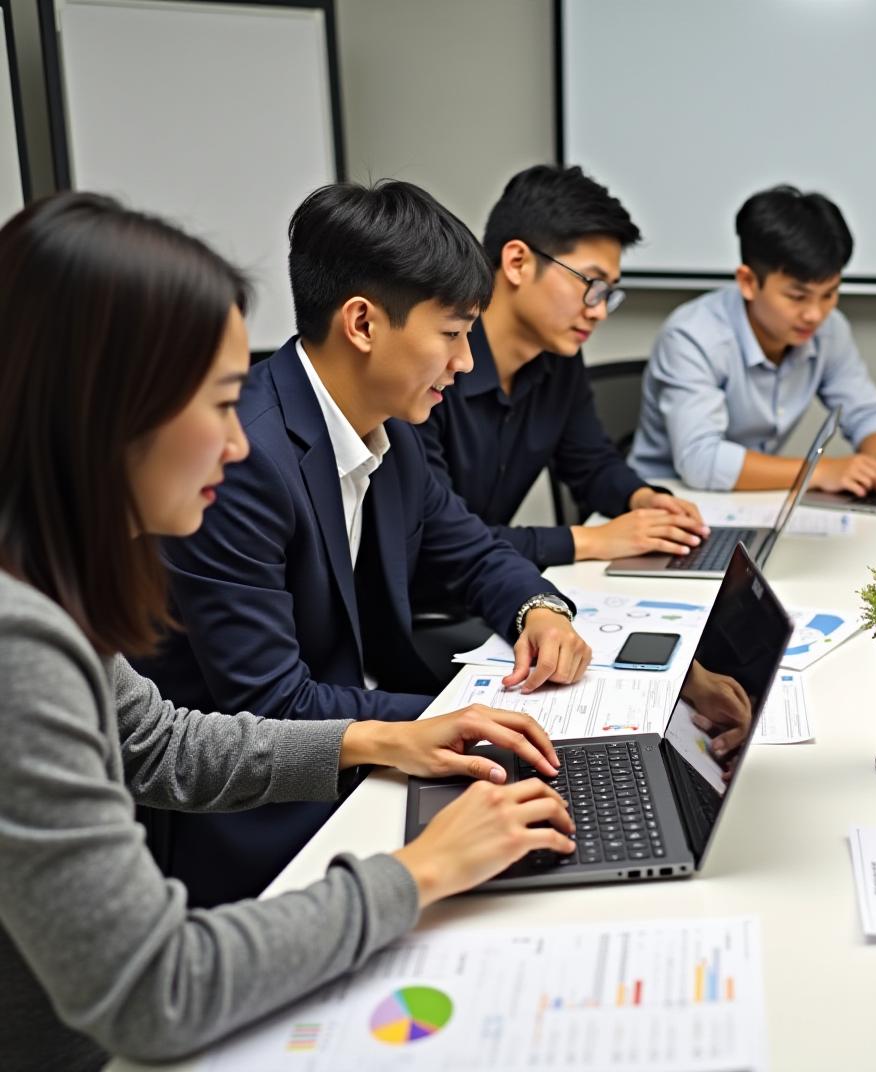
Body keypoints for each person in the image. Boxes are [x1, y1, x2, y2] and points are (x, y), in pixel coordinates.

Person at [0, 192, 579, 1072]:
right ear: (110, 410)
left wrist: (390, 736)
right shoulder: (19, 643)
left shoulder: (45, 583)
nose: (236, 446)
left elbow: (158, 742)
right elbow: (163, 988)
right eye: (219, 402)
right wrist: (420, 872)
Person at [133, 180, 591, 906]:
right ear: (363, 323)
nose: (466, 361)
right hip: (262, 814)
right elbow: (271, 704)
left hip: (364, 752)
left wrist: (539, 609)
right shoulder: (244, 458)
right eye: (451, 333)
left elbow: (470, 550)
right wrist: (446, 724)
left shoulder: (391, 431)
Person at [417, 164, 708, 575]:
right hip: (421, 608)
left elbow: (590, 462)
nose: (600, 310)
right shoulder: (431, 366)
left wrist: (641, 498)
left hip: (492, 585)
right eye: (591, 283)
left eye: (609, 292)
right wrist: (592, 540)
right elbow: (437, 538)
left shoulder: (559, 357)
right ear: (518, 262)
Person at [627, 184, 876, 493]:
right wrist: (821, 471)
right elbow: (701, 461)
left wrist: (871, 465)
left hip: (755, 502)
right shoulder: (692, 336)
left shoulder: (829, 329)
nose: (815, 314)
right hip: (665, 502)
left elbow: (871, 416)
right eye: (797, 296)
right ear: (747, 282)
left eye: (829, 294)